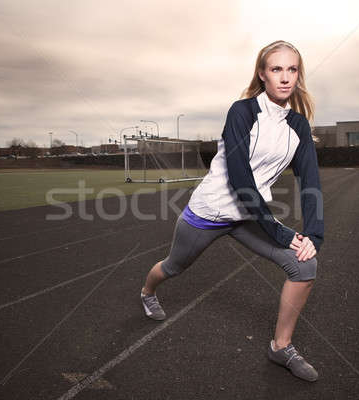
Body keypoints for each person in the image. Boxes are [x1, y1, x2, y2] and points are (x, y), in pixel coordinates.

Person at [140, 40, 324, 382]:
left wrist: (313, 234)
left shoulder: (298, 127)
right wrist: (281, 231)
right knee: (173, 267)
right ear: (262, 74)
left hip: (248, 217)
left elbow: (310, 182)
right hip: (209, 213)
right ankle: (147, 292)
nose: (285, 77)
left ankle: (280, 347)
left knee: (305, 264)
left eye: (292, 69)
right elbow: (241, 181)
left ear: (299, 76)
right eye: (276, 69)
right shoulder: (241, 112)